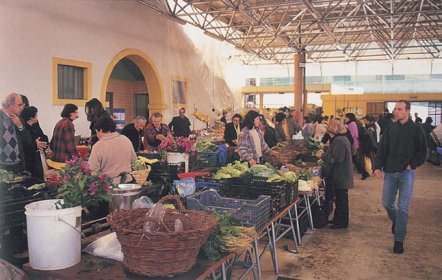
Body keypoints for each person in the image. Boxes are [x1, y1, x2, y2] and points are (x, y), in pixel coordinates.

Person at [373, 100, 427, 254]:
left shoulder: (417, 129)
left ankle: (399, 240)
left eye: (400, 109)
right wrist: (377, 166)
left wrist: (412, 164)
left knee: (403, 207)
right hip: (390, 172)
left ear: (408, 111)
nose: (396, 112)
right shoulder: (391, 129)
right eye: (395, 109)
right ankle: (397, 222)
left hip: (406, 173)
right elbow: (382, 149)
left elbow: (423, 152)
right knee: (387, 203)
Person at [323, 119, 354, 229]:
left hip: (342, 175)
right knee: (340, 199)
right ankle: (337, 219)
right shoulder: (341, 139)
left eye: (329, 131)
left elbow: (337, 158)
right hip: (341, 174)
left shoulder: (339, 141)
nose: (328, 134)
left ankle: (342, 222)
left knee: (341, 200)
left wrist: (325, 157)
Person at [88, 116, 137, 184]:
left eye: (97, 132)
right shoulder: (125, 139)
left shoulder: (98, 146)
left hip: (109, 185)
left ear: (101, 130)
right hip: (127, 182)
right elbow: (134, 161)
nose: (97, 135)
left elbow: (92, 170)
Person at [0, 93, 33, 173]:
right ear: (10, 105)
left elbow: (28, 142)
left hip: (18, 165)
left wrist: (20, 126)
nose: (22, 108)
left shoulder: (20, 120)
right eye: (19, 105)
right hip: (2, 166)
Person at [20, 106, 49, 179]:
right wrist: (35, 143)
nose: (37, 117)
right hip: (29, 159)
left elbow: (44, 138)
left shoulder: (35, 126)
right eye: (36, 115)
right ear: (31, 117)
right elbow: (27, 144)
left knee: (39, 175)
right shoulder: (25, 129)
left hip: (37, 155)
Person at [344, 113, 370, 180]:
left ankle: (364, 173)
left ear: (349, 118)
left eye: (346, 117)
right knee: (355, 160)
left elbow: (352, 134)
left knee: (354, 160)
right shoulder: (351, 124)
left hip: (353, 145)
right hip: (353, 144)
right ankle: (364, 173)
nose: (345, 118)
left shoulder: (352, 124)